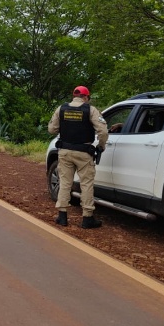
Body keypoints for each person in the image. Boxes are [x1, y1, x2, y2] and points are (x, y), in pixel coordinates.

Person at [47, 85, 109, 228]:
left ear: (74, 96)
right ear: (86, 97)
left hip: (64, 151)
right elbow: (103, 132)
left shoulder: (61, 109)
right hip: (83, 152)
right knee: (86, 184)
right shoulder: (90, 110)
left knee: (65, 183)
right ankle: (87, 218)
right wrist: (101, 146)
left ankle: (62, 216)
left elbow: (51, 129)